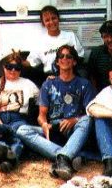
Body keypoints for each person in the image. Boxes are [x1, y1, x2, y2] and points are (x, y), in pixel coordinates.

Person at [17, 45, 96, 180]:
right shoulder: (48, 84)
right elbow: (41, 115)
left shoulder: (85, 84)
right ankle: (65, 156)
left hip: (74, 130)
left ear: (74, 61)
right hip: (54, 129)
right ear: (57, 62)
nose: (65, 59)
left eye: (69, 56)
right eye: (61, 56)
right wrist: (44, 125)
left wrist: (74, 120)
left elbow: (92, 112)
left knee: (86, 120)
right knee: (22, 130)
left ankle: (63, 157)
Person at [0, 50, 39, 173]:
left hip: (18, 119)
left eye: (17, 67)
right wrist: (0, 125)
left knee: (17, 137)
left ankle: (7, 157)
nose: (13, 70)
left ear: (21, 69)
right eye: (9, 67)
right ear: (4, 67)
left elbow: (41, 101)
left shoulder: (29, 84)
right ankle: (8, 156)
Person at [24, 5, 85, 76]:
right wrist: (18, 61)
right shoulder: (40, 42)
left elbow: (80, 56)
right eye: (47, 20)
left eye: (54, 18)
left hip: (70, 75)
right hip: (50, 77)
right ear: (43, 23)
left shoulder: (70, 36)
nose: (51, 22)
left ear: (58, 18)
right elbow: (31, 62)